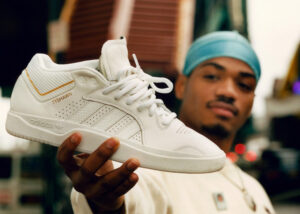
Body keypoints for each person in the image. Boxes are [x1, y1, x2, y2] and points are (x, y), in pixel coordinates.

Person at [57, 31, 275, 213]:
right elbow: (130, 199)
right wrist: (107, 203)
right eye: (212, 76)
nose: (228, 91)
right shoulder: (146, 166)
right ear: (180, 85)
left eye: (244, 85)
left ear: (252, 102)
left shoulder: (255, 188)